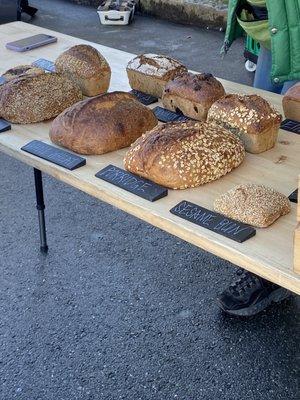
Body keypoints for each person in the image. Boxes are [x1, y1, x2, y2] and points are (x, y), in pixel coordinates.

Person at [217, 0, 300, 316]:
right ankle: (263, 267)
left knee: (291, 156)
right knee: (259, 138)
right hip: (275, 28)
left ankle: (274, 267)